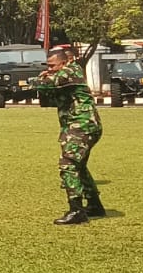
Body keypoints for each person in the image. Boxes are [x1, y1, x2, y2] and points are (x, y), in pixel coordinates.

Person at [33, 47, 104, 225]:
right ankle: (95, 205)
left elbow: (49, 82)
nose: (49, 69)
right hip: (77, 126)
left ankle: (76, 210)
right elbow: (46, 93)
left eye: (52, 65)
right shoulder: (64, 75)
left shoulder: (72, 70)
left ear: (65, 62)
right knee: (79, 166)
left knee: (68, 165)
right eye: (47, 66)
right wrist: (43, 80)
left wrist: (40, 79)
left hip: (82, 125)